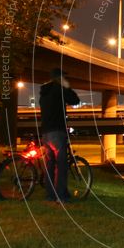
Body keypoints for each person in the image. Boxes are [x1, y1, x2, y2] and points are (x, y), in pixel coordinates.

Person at [38, 68, 80, 203]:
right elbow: (75, 100)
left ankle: (50, 195)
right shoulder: (59, 89)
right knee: (61, 164)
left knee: (50, 164)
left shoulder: (44, 93)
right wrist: (67, 87)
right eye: (64, 78)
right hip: (57, 131)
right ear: (59, 78)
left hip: (45, 133)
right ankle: (61, 196)